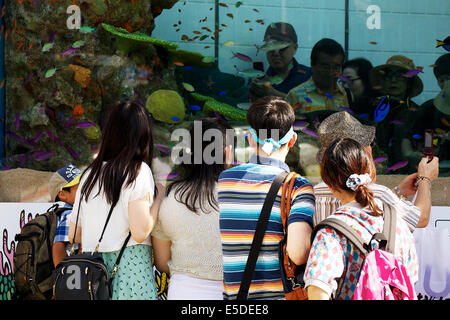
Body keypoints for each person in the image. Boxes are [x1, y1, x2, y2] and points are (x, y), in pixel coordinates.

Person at [218, 96, 315, 300]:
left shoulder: (226, 180)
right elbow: (299, 253)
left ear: (250, 139)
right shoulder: (298, 186)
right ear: (292, 140)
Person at [68, 101, 163, 300]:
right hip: (130, 273)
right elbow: (140, 232)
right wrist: (159, 198)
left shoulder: (89, 175)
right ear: (143, 136)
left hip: (92, 278)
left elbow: (74, 235)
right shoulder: (138, 171)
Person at [305, 138, 419, 300]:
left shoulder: (331, 231)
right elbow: (410, 281)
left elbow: (318, 289)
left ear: (330, 186)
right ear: (370, 173)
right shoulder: (397, 223)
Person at [151, 118, 234, 300]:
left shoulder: (170, 200)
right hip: (232, 292)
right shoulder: (240, 197)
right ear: (227, 153)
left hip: (183, 292)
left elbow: (163, 262)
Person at [314, 111, 439, 230]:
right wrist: (425, 178)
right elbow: (420, 219)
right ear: (361, 152)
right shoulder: (379, 193)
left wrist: (398, 191)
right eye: (370, 143)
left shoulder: (314, 194)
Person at [369, 55, 424, 173]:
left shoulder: (418, 113)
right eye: (389, 76)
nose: (393, 80)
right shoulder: (373, 109)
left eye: (400, 76)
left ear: (409, 82)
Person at [286, 38, 349, 119]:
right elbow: (283, 128)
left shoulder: (344, 94)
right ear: (312, 64)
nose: (331, 72)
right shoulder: (295, 95)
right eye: (325, 67)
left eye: (336, 67)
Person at [249, 22, 311, 101]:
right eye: (270, 47)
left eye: (282, 47)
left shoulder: (309, 76)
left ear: (295, 48)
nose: (276, 53)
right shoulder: (259, 81)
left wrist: (272, 93)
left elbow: (311, 104)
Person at [411, 53, 450, 176]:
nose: (446, 84)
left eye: (449, 78)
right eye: (441, 80)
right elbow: (426, 141)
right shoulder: (429, 109)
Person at [49, 164, 82, 267]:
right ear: (62, 194)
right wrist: (62, 275)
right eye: (80, 188)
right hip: (70, 275)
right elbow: (59, 245)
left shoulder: (57, 212)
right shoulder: (70, 215)